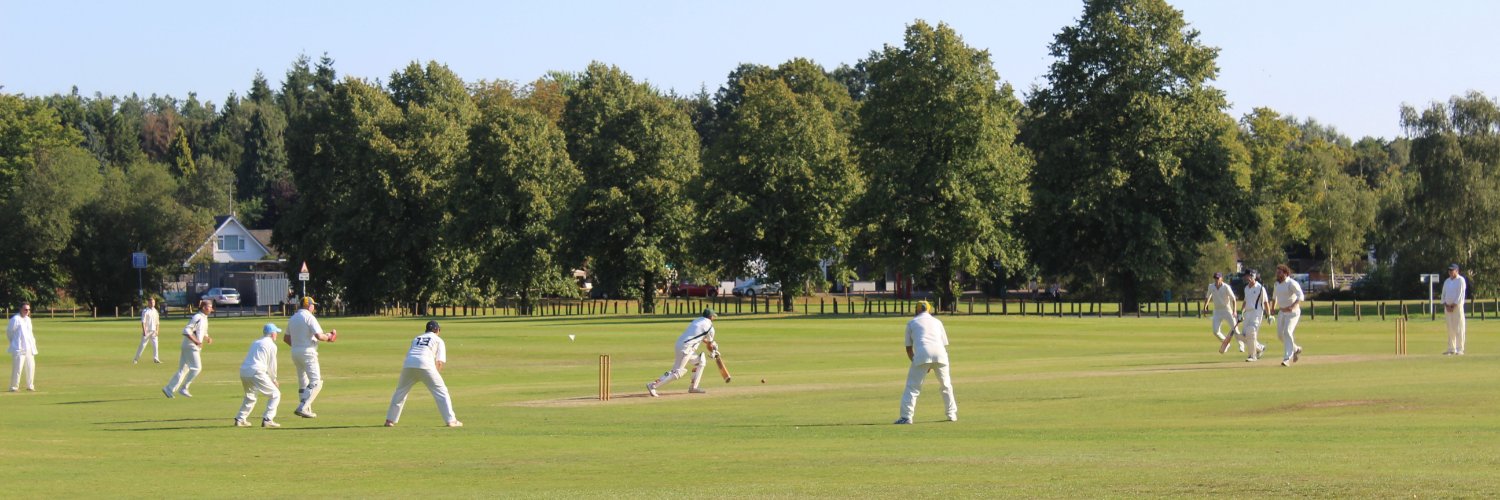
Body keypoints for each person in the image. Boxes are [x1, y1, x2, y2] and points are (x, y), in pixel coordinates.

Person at [384, 320, 460, 428]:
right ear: (437, 330)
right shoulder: (438, 340)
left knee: (400, 392)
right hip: (426, 365)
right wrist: (435, 377)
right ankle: (451, 421)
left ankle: (390, 420)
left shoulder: (416, 338)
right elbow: (439, 362)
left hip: (408, 365)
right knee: (441, 392)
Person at [896, 300, 956, 424]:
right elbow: (944, 343)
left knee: (912, 387)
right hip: (940, 353)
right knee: (946, 385)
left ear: (917, 310)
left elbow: (908, 349)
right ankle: (952, 414)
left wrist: (918, 361)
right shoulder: (937, 322)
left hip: (922, 354)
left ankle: (906, 417)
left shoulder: (911, 323)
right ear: (929, 310)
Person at [646, 308, 720, 397]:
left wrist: (713, 347)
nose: (714, 318)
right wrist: (713, 351)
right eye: (713, 316)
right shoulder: (710, 327)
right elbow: (709, 345)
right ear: (711, 317)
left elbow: (700, 337)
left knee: (701, 361)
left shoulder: (697, 320)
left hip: (681, 344)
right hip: (686, 348)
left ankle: (693, 387)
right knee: (678, 372)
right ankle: (653, 385)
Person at [285, 296, 336, 418]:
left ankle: (306, 409)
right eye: (313, 305)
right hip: (308, 352)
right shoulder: (309, 317)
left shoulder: (293, 318)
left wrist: (298, 345)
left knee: (303, 382)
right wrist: (329, 337)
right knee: (316, 382)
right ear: (309, 306)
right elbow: (319, 336)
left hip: (295, 352)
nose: (314, 307)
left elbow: (286, 338)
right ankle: (303, 407)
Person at [163, 299, 214, 398]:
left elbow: (201, 331)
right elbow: (186, 331)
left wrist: (207, 337)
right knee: (197, 368)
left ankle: (168, 389)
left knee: (183, 370)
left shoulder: (204, 318)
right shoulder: (197, 317)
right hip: (190, 346)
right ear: (204, 307)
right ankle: (184, 388)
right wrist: (196, 341)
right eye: (210, 307)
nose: (211, 309)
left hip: (190, 346)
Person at [235, 323, 282, 428]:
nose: (277, 335)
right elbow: (272, 364)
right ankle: (268, 419)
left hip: (244, 371)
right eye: (276, 332)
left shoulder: (255, 342)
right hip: (257, 371)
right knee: (275, 394)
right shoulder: (272, 345)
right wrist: (274, 379)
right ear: (272, 334)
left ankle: (240, 419)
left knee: (250, 396)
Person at [1233, 270, 1270, 362]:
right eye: (1245, 276)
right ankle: (1260, 348)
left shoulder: (1260, 288)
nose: (1246, 278)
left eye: (1248, 276)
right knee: (1241, 336)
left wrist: (1269, 315)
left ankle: (1252, 356)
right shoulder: (1246, 288)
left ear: (1253, 276)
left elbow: (1265, 302)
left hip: (1256, 313)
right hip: (1247, 314)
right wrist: (1241, 313)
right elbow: (1245, 301)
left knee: (1251, 332)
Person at [1272, 265, 1305, 367]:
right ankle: (1296, 349)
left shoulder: (1291, 283)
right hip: (1282, 312)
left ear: (1285, 273)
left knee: (1287, 331)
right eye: (1277, 272)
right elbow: (1274, 297)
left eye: (1279, 272)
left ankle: (1287, 358)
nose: (1277, 274)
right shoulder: (1276, 284)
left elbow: (1301, 296)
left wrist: (1293, 306)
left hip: (1293, 313)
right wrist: (1272, 308)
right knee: (1280, 335)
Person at [1203, 272, 1243, 352]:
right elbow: (1208, 297)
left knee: (1235, 329)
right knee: (1215, 331)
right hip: (1217, 311)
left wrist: (1234, 311)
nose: (1216, 280)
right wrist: (1205, 308)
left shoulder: (1226, 287)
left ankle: (1241, 345)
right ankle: (1226, 343)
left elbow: (1233, 299)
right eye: (1215, 278)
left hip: (1227, 310)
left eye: (1218, 278)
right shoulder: (1211, 286)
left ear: (1221, 278)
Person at [8, 302, 37, 392]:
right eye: (25, 309)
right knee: (17, 368)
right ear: (20, 309)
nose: (27, 311)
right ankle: (14, 387)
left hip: (29, 347)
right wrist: (15, 343)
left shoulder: (28, 319)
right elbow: (9, 333)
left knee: (30, 367)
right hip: (19, 348)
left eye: (28, 309)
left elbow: (30, 334)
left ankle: (30, 386)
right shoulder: (15, 319)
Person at [1442, 263, 1467, 355]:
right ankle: (1451, 349)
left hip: (1457, 308)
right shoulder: (1447, 281)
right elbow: (1443, 294)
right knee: (1450, 328)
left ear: (1457, 271)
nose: (1450, 272)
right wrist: (1446, 305)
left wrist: (1453, 306)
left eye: (1452, 270)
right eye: (1449, 270)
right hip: (1447, 308)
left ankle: (1460, 349)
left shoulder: (1461, 280)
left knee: (1459, 328)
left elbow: (1460, 295)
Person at [134, 297, 161, 364]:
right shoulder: (145, 311)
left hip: (154, 331)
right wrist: (144, 331)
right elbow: (143, 322)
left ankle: (156, 359)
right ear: (148, 303)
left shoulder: (155, 311)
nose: (153, 304)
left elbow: (157, 322)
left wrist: (157, 330)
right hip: (147, 331)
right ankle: (136, 359)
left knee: (155, 346)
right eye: (151, 302)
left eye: (153, 302)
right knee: (142, 346)